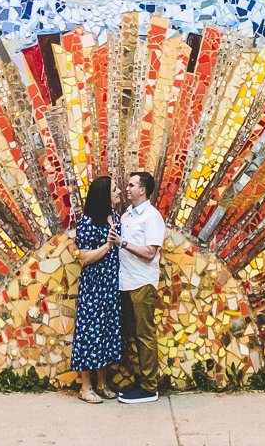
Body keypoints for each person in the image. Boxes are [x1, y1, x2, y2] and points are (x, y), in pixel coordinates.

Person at [116, 170, 165, 403]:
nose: (127, 188)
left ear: (142, 190)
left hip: (142, 283)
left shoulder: (152, 217)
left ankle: (149, 387)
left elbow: (150, 252)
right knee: (132, 334)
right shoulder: (127, 215)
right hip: (125, 283)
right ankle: (140, 379)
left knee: (145, 334)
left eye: (131, 184)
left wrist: (122, 243)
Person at [71, 175, 121, 403]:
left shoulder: (116, 217)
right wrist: (107, 246)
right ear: (104, 195)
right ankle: (86, 387)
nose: (118, 191)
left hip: (110, 287)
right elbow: (85, 257)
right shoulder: (88, 223)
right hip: (93, 288)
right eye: (113, 189)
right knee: (89, 335)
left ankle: (102, 382)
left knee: (106, 333)